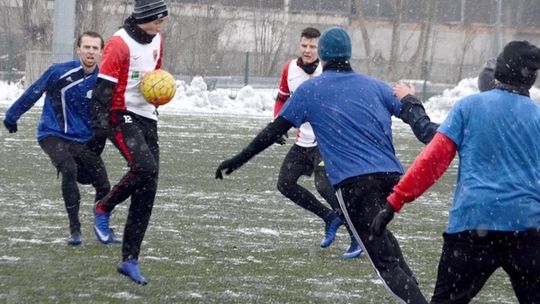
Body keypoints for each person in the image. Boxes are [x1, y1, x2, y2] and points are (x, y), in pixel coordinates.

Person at [216, 27, 431, 303]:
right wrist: (414, 103)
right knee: (384, 242)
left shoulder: (310, 90)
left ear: (324, 56)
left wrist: (237, 160)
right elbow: (414, 118)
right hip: (390, 178)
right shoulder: (374, 85)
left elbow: (272, 133)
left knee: (384, 263)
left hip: (355, 183)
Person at [371, 40, 540, 303]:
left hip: (472, 224)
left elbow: (432, 161)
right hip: (526, 227)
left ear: (500, 71)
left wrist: (394, 202)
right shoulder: (537, 117)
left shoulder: (468, 107)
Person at [3, 31, 113, 247]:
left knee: (105, 185)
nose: (90, 51)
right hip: (52, 134)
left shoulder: (102, 80)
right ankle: (75, 231)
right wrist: (12, 116)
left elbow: (110, 111)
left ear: (101, 52)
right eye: (87, 47)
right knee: (69, 169)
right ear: (78, 49)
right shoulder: (58, 72)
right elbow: (34, 91)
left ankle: (102, 226)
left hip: (82, 140)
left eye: (95, 48)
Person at [90, 0, 168, 285]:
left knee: (148, 187)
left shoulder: (158, 40)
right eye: (157, 20)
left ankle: (129, 260)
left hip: (147, 117)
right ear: (142, 18)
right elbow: (102, 92)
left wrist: (159, 95)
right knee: (145, 167)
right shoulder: (119, 44)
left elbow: (154, 78)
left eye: (162, 21)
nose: (160, 26)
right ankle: (104, 206)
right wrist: (99, 134)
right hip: (119, 114)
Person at [273, 27, 360, 258]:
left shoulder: (330, 70)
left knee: (325, 186)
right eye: (304, 45)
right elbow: (281, 99)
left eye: (313, 46)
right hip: (303, 142)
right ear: (299, 45)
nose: (308, 50)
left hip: (327, 143)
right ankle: (329, 217)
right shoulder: (289, 69)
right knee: (285, 183)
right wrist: (278, 124)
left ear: (320, 49)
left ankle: (357, 236)